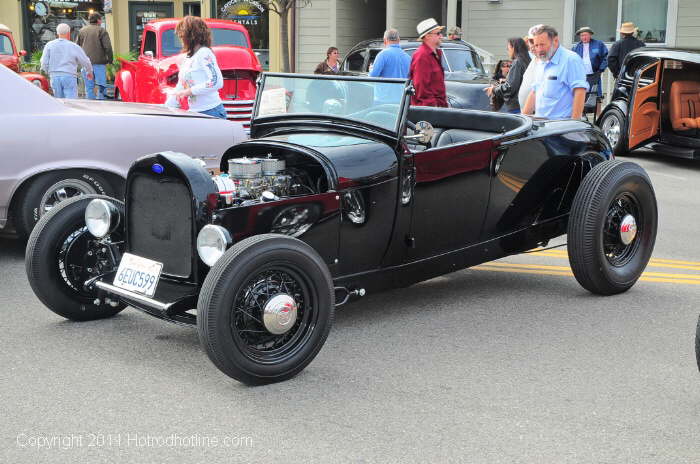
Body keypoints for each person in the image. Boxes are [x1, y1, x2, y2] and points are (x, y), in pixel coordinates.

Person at [164, 16, 226, 119]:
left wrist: (189, 91)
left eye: (181, 35)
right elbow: (182, 85)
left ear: (190, 36)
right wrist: (167, 108)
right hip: (196, 112)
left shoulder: (204, 53)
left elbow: (216, 82)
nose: (180, 39)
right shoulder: (189, 57)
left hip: (211, 111)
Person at [522, 25, 588, 120]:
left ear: (555, 41)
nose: (539, 49)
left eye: (542, 44)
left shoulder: (571, 59)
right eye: (536, 45)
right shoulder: (541, 61)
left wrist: (574, 124)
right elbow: (534, 92)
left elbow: (580, 91)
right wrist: (523, 119)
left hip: (561, 127)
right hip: (540, 125)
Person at [40, 23, 92, 99]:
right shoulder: (74, 46)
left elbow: (44, 61)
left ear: (57, 33)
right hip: (69, 75)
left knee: (59, 101)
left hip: (54, 76)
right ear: (69, 33)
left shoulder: (49, 45)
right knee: (71, 101)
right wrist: (89, 71)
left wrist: (45, 73)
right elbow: (85, 60)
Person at [486, 38, 531, 113]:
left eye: (508, 48)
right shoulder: (529, 61)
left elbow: (510, 87)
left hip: (516, 107)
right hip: (526, 105)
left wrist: (494, 89)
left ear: (513, 48)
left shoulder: (517, 63)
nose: (508, 51)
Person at [409, 18, 447, 107]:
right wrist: (434, 107)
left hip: (437, 108)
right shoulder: (421, 56)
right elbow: (421, 89)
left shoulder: (436, 54)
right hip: (428, 111)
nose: (441, 36)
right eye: (438, 33)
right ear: (427, 36)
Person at [77, 13, 113, 100]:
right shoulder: (101, 30)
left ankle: (90, 107)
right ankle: (102, 107)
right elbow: (107, 47)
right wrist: (110, 60)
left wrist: (79, 61)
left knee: (89, 87)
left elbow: (77, 47)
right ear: (98, 20)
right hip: (99, 63)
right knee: (101, 86)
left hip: (86, 63)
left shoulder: (82, 31)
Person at [369, 28, 411, 104]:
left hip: (383, 100)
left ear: (385, 40)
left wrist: (371, 69)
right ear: (398, 40)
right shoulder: (408, 57)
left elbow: (372, 76)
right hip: (402, 101)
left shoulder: (382, 55)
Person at [572, 26, 608, 97]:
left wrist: (601, 69)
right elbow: (572, 61)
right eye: (582, 35)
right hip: (581, 76)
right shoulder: (576, 47)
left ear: (590, 35)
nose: (584, 37)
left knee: (596, 96)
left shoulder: (598, 44)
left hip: (594, 74)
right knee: (581, 95)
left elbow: (606, 57)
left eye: (586, 35)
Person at [518, 25, 543, 110]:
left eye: (537, 42)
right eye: (531, 41)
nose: (533, 45)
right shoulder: (535, 59)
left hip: (543, 116)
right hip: (530, 114)